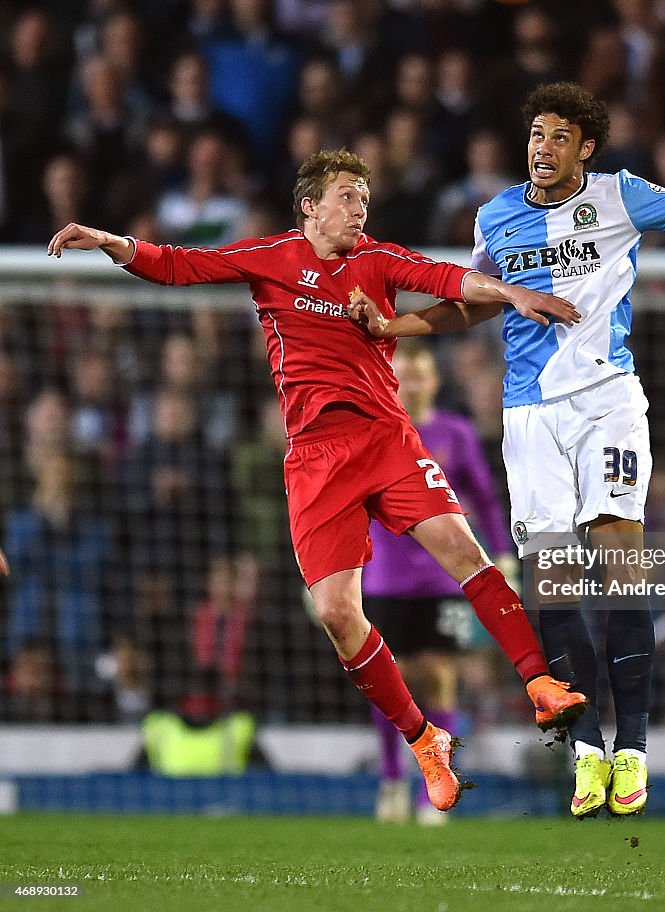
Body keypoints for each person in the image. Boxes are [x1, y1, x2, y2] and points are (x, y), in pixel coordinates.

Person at [349, 81, 665, 817]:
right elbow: (470, 303)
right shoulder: (494, 216)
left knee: (621, 564)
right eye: (535, 134)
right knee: (552, 580)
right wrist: (391, 328)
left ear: (585, 148)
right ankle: (588, 750)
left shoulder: (620, 196)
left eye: (558, 137)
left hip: (605, 402)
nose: (541, 148)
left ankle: (634, 750)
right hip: (528, 417)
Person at [47, 148, 587, 814]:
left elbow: (450, 280)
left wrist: (511, 293)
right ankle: (423, 742)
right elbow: (176, 266)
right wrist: (110, 241)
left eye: (364, 197)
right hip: (314, 458)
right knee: (336, 614)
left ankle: (540, 685)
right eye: (346, 196)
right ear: (309, 205)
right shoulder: (270, 256)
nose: (359, 208)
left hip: (386, 437)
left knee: (464, 552)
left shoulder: (378, 260)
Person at [363, 341, 515, 825]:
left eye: (418, 375)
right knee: (393, 682)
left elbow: (486, 500)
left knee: (441, 676)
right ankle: (391, 780)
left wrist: (503, 556)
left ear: (435, 382)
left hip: (445, 577)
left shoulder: (456, 433)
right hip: (385, 577)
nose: (409, 384)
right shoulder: (371, 431)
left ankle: (435, 788)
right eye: (400, 375)